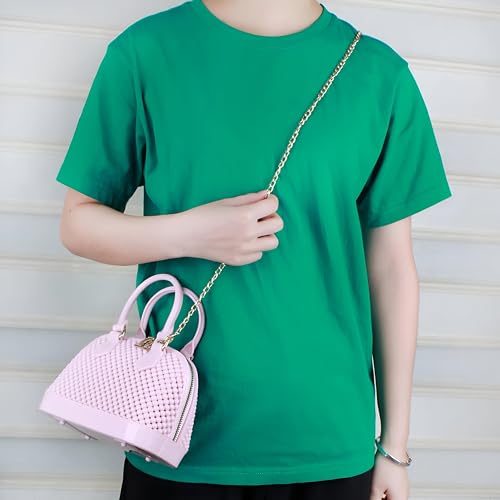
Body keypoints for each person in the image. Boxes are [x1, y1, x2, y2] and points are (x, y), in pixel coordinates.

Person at [55, 0, 452, 498]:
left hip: (329, 439)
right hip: (174, 434)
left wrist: (394, 445)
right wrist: (191, 232)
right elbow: (78, 223)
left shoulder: (379, 74)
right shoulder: (145, 52)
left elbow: (391, 268)